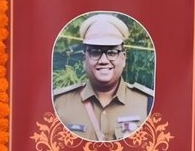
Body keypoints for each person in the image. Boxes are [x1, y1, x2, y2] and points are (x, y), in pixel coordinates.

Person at [53, 14, 153, 142]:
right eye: (95, 52)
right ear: (84, 59)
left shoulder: (147, 103)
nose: (103, 61)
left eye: (112, 53)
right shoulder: (59, 104)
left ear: (123, 58)